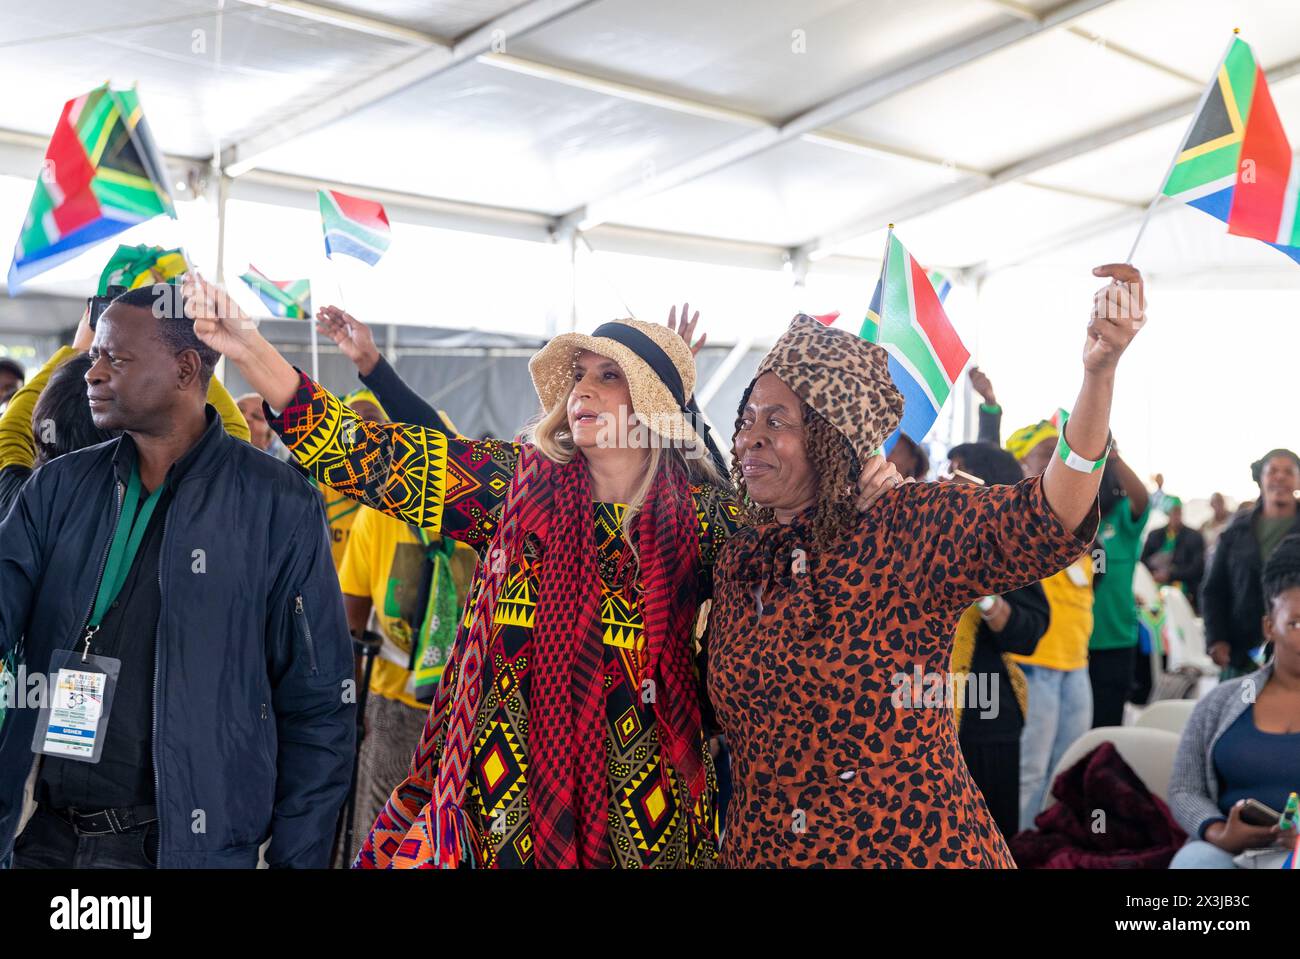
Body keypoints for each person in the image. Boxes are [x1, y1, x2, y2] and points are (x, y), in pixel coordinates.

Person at [187, 278, 909, 868]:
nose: (583, 390)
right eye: (580, 376)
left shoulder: (706, 521)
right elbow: (375, 459)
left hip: (646, 823)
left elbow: (809, 573)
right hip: (503, 810)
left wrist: (863, 499)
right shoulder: (514, 486)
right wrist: (250, 347)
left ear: (652, 407)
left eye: (607, 376)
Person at [708, 262, 1142, 868]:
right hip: (769, 850)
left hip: (910, 847)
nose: (751, 436)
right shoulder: (741, 559)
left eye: (777, 421)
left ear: (834, 436)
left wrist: (1098, 375)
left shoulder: (907, 525)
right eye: (747, 418)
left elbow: (1053, 514)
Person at [0, 285, 353, 868]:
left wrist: (298, 859)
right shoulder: (60, 486)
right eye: (94, 357)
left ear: (186, 368)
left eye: (117, 358)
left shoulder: (276, 503)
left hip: (182, 848)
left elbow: (317, 702)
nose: (94, 373)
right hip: (45, 836)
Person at [335, 498, 478, 864]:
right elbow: (351, 623)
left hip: (463, 713)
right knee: (382, 829)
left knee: (446, 837)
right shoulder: (379, 515)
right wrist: (350, 708)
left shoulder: (479, 514)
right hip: (391, 704)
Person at [0, 307, 250, 516]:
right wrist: (180, 349)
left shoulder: (19, 501)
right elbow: (231, 432)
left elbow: (12, 427)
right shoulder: (175, 509)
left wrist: (79, 349)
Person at [1168, 534, 1300, 868]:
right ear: (1269, 626)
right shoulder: (1223, 702)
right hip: (1226, 851)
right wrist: (1215, 831)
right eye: (1296, 623)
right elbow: (1185, 787)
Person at [944, 442, 1050, 840]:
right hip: (919, 707)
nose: (948, 479)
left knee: (988, 834)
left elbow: (1029, 633)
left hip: (984, 712)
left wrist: (984, 595)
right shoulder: (922, 532)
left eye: (960, 472)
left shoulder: (1009, 548)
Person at [1002, 416, 1097, 828]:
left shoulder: (1082, 525)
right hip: (1034, 666)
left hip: (1077, 666)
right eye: (1045, 456)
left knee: (1066, 772)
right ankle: (1016, 851)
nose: (1055, 464)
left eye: (1059, 456)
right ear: (1022, 464)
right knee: (1029, 772)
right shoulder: (1018, 519)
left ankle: (1050, 849)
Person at [1201, 448, 1300, 678]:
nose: (1280, 477)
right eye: (1272, 471)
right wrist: (1216, 638)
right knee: (1239, 711)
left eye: (1288, 471)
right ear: (1260, 478)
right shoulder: (1235, 532)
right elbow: (1214, 590)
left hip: (1295, 656)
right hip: (1241, 655)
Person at [1086, 449, 1150, 728]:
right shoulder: (1073, 516)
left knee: (1106, 726)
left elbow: (1142, 498)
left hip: (1115, 641)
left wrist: (1112, 456)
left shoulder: (1124, 517)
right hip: (1074, 644)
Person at [1141, 497, 1205, 609]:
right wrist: (1155, 574)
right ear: (1167, 513)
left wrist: (1170, 575)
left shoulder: (1194, 536)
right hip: (1154, 586)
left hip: (1183, 589)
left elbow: (1197, 567)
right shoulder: (1155, 535)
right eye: (1173, 512)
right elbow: (1143, 561)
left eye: (1178, 512)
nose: (1176, 515)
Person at [1201, 492, 1233, 562]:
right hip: (1211, 561)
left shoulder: (1233, 521)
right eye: (1215, 502)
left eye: (1220, 501)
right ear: (1211, 505)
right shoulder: (1206, 525)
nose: (1218, 505)